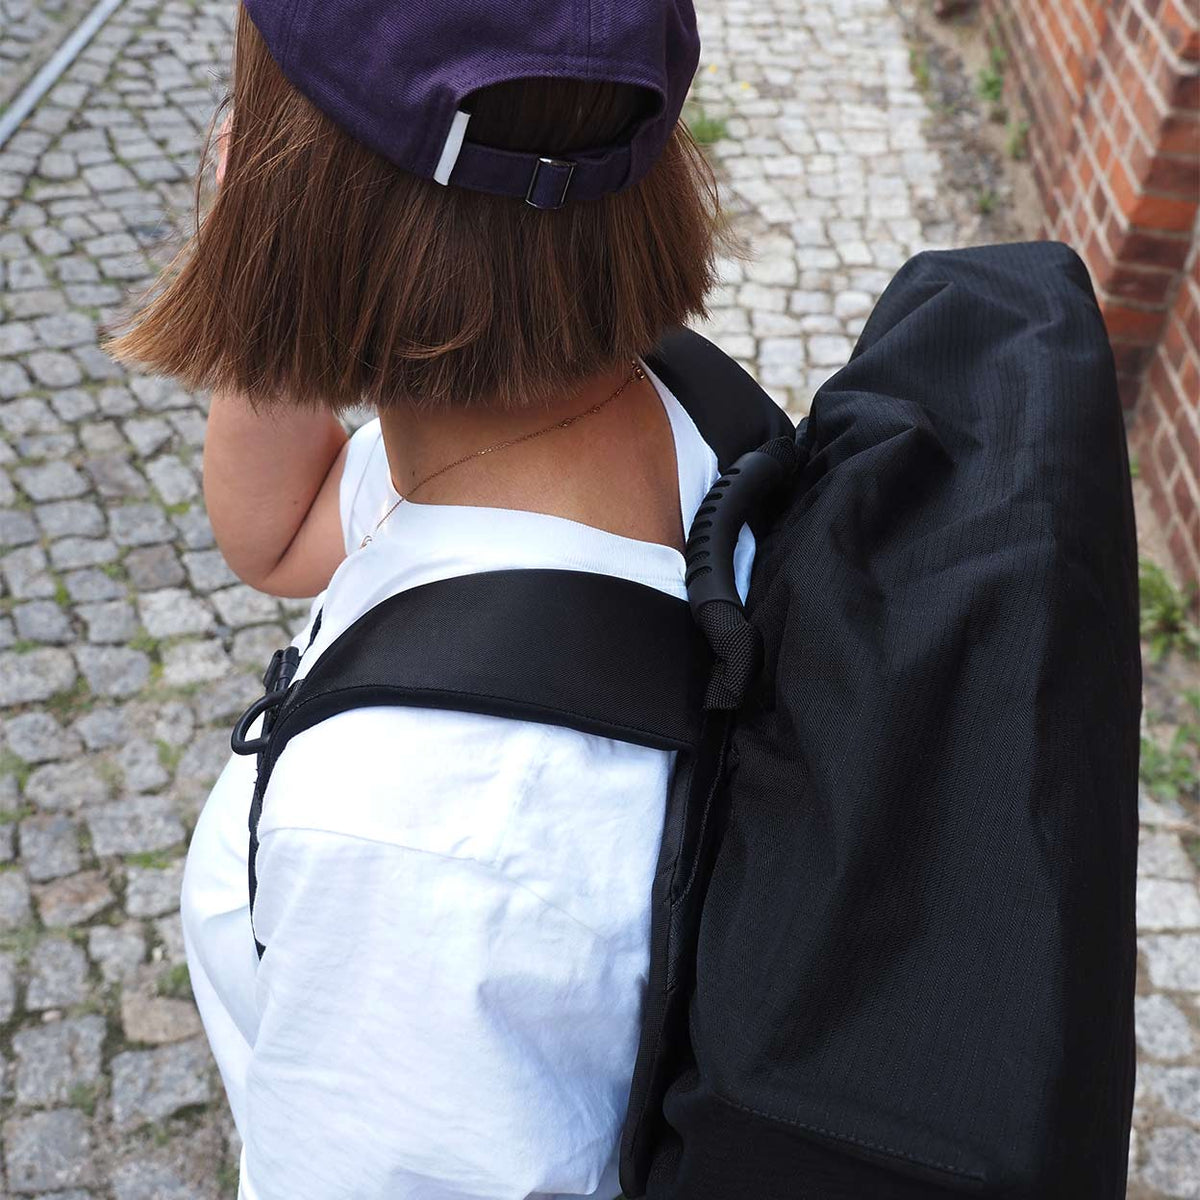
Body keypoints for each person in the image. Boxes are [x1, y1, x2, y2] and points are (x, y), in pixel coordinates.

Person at [105, 1, 755, 1197]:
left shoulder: (412, 844)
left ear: (298, 186)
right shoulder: (634, 409)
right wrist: (276, 289)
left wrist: (270, 246)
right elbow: (283, 533)